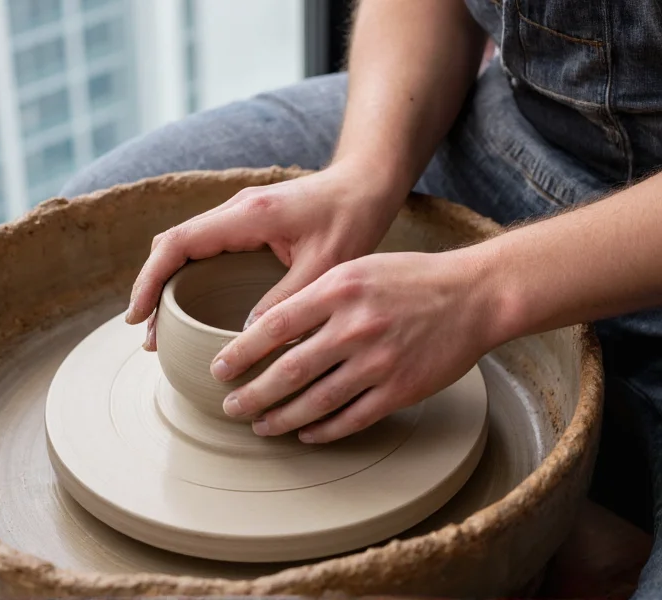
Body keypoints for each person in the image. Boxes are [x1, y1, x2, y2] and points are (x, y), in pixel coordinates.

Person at [62, 1, 662, 596]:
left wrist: (479, 292)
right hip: (507, 132)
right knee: (92, 210)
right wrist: (363, 175)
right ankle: (571, 529)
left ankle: (572, 524)